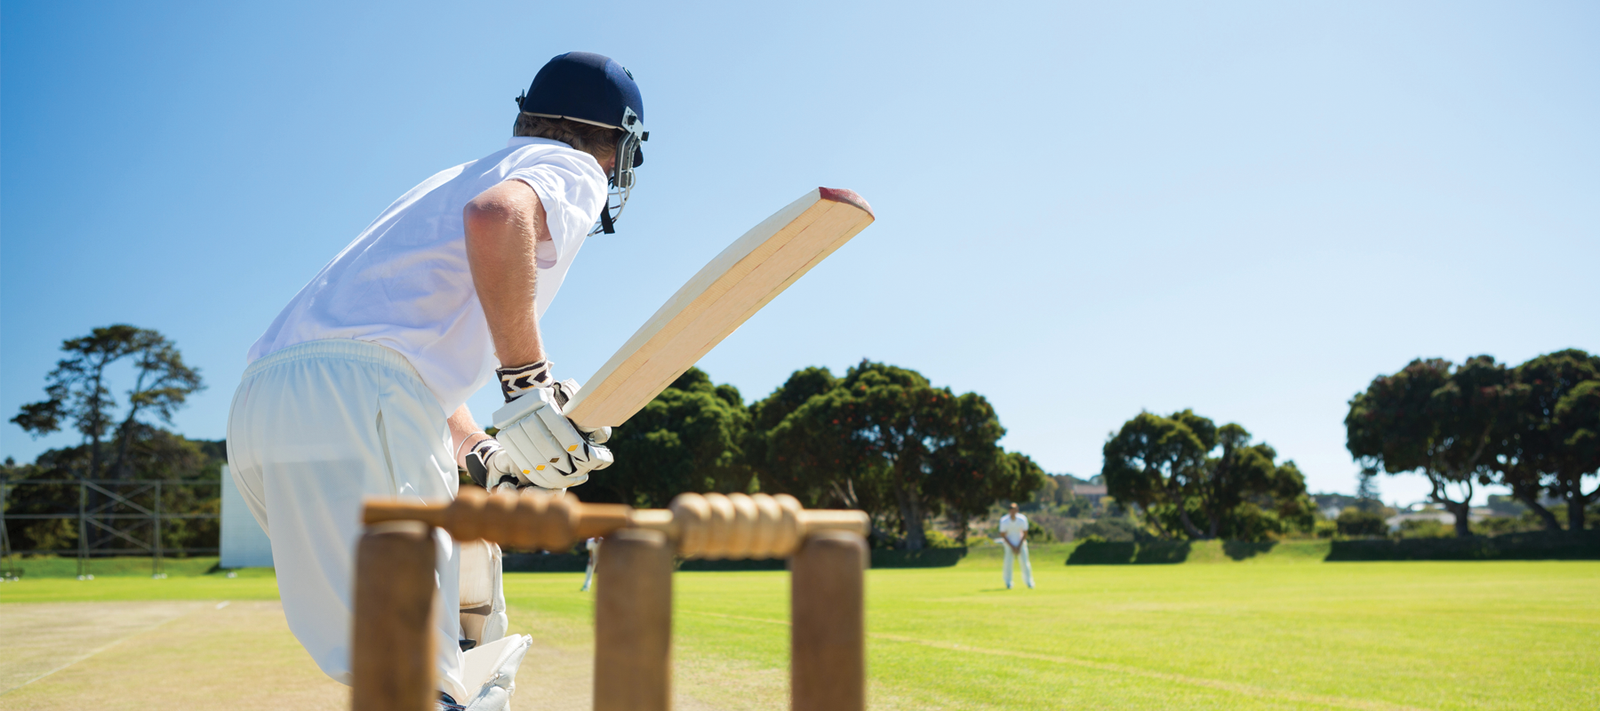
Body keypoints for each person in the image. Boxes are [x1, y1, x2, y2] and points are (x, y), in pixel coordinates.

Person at [225, 52, 648, 711]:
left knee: (396, 653)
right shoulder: (567, 165)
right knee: (433, 666)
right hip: (363, 400)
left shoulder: (447, 178)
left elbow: (397, 352)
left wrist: (483, 450)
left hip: (263, 408)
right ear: (618, 143)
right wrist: (529, 387)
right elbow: (497, 218)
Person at [996, 503, 1034, 589]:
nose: (1013, 511)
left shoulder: (1022, 519)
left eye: (1014, 509)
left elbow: (1025, 533)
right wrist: (1012, 546)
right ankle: (1008, 582)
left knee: (1025, 562)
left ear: (1017, 510)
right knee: (1008, 563)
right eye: (1011, 509)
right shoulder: (1004, 520)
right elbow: (1003, 534)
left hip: (1021, 542)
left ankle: (1029, 582)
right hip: (1009, 544)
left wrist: (1019, 545)